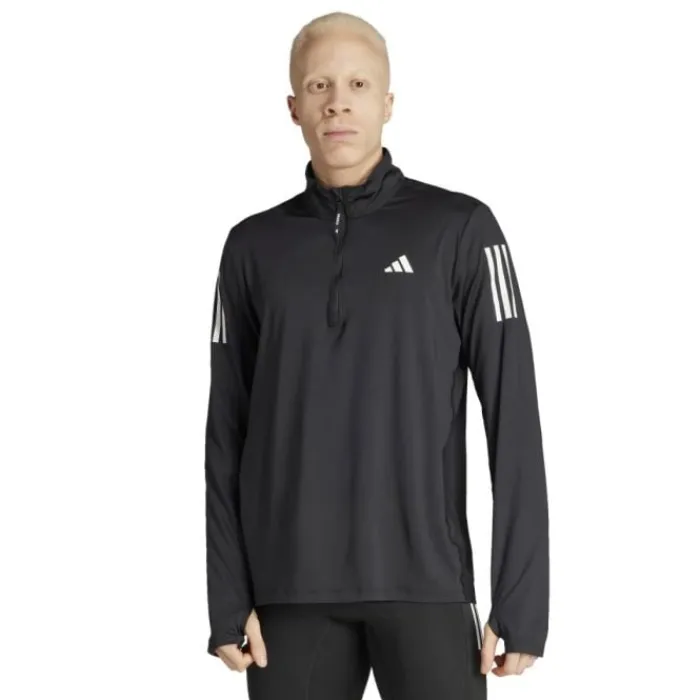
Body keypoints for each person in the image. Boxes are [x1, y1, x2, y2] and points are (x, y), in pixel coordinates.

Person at [204, 11, 549, 699]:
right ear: (293, 107)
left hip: (426, 585)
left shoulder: (460, 229)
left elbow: (513, 418)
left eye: (358, 84)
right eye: (319, 85)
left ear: (388, 102)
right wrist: (226, 596)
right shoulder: (252, 247)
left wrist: (522, 600)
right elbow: (225, 434)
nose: (338, 101)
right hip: (288, 595)